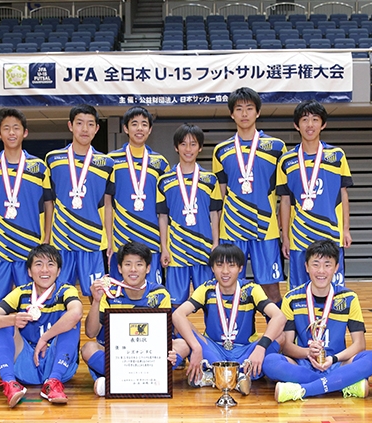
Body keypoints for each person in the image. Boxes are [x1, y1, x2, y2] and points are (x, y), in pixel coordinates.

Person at [262, 240, 372, 402]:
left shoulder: (349, 298)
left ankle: (304, 389)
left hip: (338, 362)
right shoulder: (292, 298)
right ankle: (341, 383)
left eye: (327, 265)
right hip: (303, 363)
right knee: (270, 362)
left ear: (336, 267)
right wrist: (307, 353)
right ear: (306, 267)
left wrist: (333, 359)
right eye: (316, 264)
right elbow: (287, 346)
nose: (321, 271)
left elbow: (359, 344)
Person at [172, 244, 286, 396]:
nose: (225, 271)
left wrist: (261, 348)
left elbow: (279, 316)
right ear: (212, 268)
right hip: (214, 350)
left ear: (240, 268)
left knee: (280, 336)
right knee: (183, 326)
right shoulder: (207, 289)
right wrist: (196, 347)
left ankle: (213, 376)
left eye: (231, 265)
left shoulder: (251, 289)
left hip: (245, 351)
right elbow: (177, 315)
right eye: (219, 265)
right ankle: (239, 376)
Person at [0, 244, 83, 407]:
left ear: (58, 271)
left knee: (70, 320)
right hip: (26, 363)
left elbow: (76, 313)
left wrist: (45, 338)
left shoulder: (65, 290)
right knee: (3, 321)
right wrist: (12, 320)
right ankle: (10, 383)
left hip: (57, 362)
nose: (44, 270)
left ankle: (53, 382)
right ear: (29, 271)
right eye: (38, 264)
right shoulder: (21, 292)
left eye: (50, 264)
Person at [212, 87, 287, 305]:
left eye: (249, 108)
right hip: (232, 229)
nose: (244, 114)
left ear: (258, 112)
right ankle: (238, 337)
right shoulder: (221, 150)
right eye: (239, 109)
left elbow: (284, 195)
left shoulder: (277, 147)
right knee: (232, 289)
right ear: (231, 114)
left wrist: (284, 233)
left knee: (271, 291)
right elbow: (220, 197)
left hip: (266, 230)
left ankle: (278, 338)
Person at [0, 108, 54, 318]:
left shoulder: (39, 167)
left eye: (16, 128)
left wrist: (46, 239)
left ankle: (30, 351)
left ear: (25, 132)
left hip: (30, 251)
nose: (11, 133)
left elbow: (49, 204)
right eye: (6, 128)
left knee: (31, 305)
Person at [81, 241, 186, 397]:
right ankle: (145, 379)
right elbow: (91, 333)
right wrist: (96, 301)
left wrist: (167, 352)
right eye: (128, 264)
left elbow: (163, 335)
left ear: (148, 268)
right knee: (88, 348)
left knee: (183, 345)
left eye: (139, 264)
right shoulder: (109, 293)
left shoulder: (160, 293)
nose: (133, 270)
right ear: (119, 268)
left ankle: (114, 380)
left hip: (148, 354)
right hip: (117, 354)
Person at [277, 100, 353, 290]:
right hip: (299, 237)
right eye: (304, 120)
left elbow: (343, 194)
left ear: (323, 124)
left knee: (333, 290)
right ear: (297, 125)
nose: (310, 125)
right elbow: (284, 202)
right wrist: (285, 237)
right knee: (298, 290)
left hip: (330, 235)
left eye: (315, 119)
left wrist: (345, 229)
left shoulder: (337, 155)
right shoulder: (286, 160)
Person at [45, 105, 114, 296]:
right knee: (58, 296)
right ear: (70, 125)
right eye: (80, 123)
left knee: (97, 296)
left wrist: (110, 240)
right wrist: (47, 237)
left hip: (92, 242)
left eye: (90, 124)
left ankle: (98, 328)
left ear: (97, 129)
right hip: (61, 242)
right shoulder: (53, 159)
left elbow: (107, 205)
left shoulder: (106, 163)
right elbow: (48, 203)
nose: (85, 129)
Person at [157, 124, 222, 307]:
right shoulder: (165, 181)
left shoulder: (210, 179)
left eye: (193, 144)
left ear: (200, 147)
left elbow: (214, 214)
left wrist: (215, 244)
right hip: (177, 251)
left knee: (209, 300)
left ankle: (210, 336)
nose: (188, 149)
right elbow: (163, 217)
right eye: (183, 144)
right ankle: (176, 336)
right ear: (176, 147)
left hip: (204, 250)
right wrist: (164, 248)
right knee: (176, 302)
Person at [106, 107, 170, 284]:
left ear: (150, 129)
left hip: (152, 241)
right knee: (119, 295)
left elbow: (165, 210)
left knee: (153, 296)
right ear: (126, 128)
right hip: (122, 240)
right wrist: (109, 241)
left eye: (144, 124)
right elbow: (107, 204)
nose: (139, 128)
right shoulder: (112, 160)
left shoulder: (160, 163)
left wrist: (165, 246)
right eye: (134, 124)